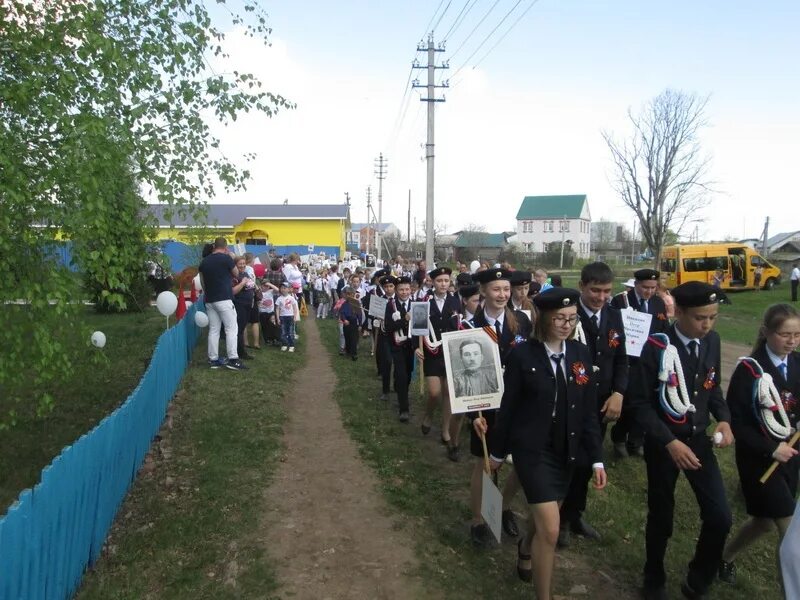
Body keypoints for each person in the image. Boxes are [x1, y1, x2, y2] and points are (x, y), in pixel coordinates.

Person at [488, 287, 606, 599]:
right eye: (560, 319)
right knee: (552, 530)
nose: (567, 325)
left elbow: (588, 411)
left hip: (566, 449)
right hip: (533, 450)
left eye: (572, 318)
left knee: (544, 523)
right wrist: (497, 452)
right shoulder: (523, 354)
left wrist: (596, 458)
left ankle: (526, 547)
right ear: (543, 319)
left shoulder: (581, 354)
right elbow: (509, 407)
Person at [628, 280, 734, 600]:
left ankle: (698, 577)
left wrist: (725, 419)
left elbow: (711, 387)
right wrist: (668, 442)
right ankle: (653, 574)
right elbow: (639, 405)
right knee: (661, 512)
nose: (707, 324)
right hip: (665, 444)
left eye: (713, 317)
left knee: (720, 515)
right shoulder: (656, 346)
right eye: (701, 317)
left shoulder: (711, 341)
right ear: (681, 312)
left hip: (698, 440)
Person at [720, 303, 800, 586]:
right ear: (766, 332)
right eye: (784, 334)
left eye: (797, 335)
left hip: (790, 457)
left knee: (764, 522)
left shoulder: (798, 363)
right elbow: (736, 422)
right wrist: (770, 449)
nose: (791, 341)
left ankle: (724, 557)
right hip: (759, 459)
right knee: (789, 531)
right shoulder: (750, 370)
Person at [560, 262, 628, 546]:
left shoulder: (614, 317)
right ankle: (559, 517)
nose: (601, 297)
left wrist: (619, 393)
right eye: (595, 291)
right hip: (571, 402)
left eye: (607, 291)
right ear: (582, 287)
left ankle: (575, 513)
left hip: (601, 404)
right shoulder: (568, 317)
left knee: (590, 460)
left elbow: (622, 359)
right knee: (568, 461)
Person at [468, 269, 531, 545]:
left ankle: (502, 506)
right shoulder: (467, 326)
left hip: (518, 404)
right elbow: (461, 375)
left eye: (506, 289)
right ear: (483, 291)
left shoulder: (523, 323)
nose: (503, 295)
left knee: (521, 462)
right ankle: (480, 520)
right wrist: (472, 415)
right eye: (496, 289)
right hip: (484, 406)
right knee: (485, 464)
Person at [610, 268, 668, 459]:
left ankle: (636, 441)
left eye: (653, 287)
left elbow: (663, 329)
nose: (649, 292)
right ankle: (619, 436)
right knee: (629, 402)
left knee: (647, 402)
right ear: (636, 284)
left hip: (650, 360)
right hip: (629, 360)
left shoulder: (658, 303)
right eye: (645, 287)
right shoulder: (622, 301)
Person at [415, 267, 462, 456]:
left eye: (446, 280)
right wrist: (415, 347)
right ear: (432, 282)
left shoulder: (455, 301)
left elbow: (459, 326)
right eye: (439, 280)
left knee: (449, 395)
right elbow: (417, 328)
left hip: (450, 354)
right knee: (434, 393)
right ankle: (428, 415)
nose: (443, 284)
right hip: (431, 353)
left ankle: (445, 432)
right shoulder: (423, 301)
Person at [198, 237, 246, 370]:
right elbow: (236, 274)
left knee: (214, 330)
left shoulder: (204, 261)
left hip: (209, 299)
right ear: (225, 246)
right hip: (224, 298)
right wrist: (231, 257)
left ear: (214, 246)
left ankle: (213, 359)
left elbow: (203, 283)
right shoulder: (226, 259)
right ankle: (233, 359)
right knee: (231, 329)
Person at [383, 276, 415, 422]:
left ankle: (401, 388)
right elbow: (389, 327)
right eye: (401, 289)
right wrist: (404, 320)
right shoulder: (391, 305)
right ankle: (404, 408)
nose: (404, 292)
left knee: (407, 374)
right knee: (401, 374)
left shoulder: (416, 304)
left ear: (411, 289)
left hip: (411, 346)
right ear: (396, 290)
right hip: (397, 346)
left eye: (407, 289)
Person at [232, 256, 255, 360]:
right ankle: (240, 352)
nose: (242, 265)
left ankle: (241, 350)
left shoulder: (245, 273)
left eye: (244, 263)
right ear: (235, 265)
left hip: (248, 303)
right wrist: (243, 283)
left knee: (243, 326)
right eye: (240, 264)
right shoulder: (234, 276)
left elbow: (250, 287)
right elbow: (234, 291)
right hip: (239, 304)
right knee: (239, 329)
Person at [339, 286, 363, 361]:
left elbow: (359, 314)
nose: (350, 296)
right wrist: (344, 320)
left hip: (354, 323)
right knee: (347, 337)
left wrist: (360, 324)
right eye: (348, 294)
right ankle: (348, 351)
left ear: (353, 294)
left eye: (351, 294)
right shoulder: (344, 304)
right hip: (346, 323)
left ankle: (354, 354)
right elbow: (342, 313)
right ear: (346, 295)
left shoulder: (356, 303)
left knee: (354, 338)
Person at [276, 282, 299, 352]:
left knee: (290, 331)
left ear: (289, 289)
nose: (283, 290)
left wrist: (295, 316)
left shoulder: (291, 298)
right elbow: (277, 308)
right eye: (282, 288)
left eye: (285, 288)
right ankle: (284, 344)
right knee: (283, 332)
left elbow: (295, 307)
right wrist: (278, 318)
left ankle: (291, 345)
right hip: (282, 317)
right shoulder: (279, 299)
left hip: (290, 317)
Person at [257, 279, 281, 346]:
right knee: (264, 327)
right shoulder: (259, 292)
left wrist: (269, 284)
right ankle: (267, 340)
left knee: (273, 325)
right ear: (261, 286)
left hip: (271, 312)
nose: (266, 287)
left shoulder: (270, 291)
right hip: (262, 312)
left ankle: (275, 339)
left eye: (267, 286)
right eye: (264, 286)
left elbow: (278, 290)